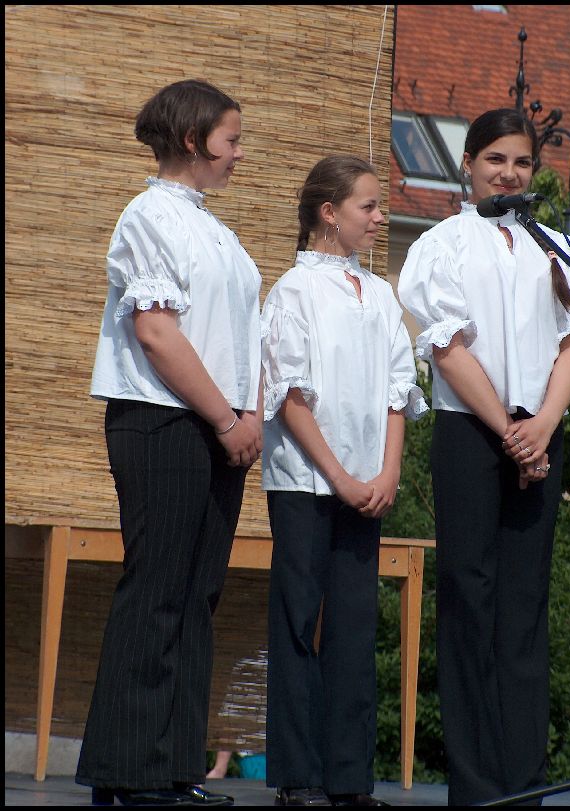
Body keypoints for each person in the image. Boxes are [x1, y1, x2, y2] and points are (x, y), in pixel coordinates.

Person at [397, 108, 570, 806]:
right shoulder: (443, 244)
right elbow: (448, 348)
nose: (509, 174)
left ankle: (524, 782)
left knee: (524, 605)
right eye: (495, 160)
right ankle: (476, 783)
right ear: (468, 163)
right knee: (468, 597)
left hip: (541, 432)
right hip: (471, 432)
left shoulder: (559, 246)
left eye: (521, 162)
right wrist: (508, 429)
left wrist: (541, 424)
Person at [75, 79, 263, 807]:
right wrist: (225, 418)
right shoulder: (149, 216)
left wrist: (246, 414)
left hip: (216, 425)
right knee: (156, 591)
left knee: (196, 595)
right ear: (192, 140)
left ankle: (173, 765)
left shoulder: (214, 229)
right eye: (231, 140)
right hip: (162, 420)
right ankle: (127, 772)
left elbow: (240, 333)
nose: (239, 154)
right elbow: (156, 332)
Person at [261, 155, 428, 807]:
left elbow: (397, 390)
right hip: (306, 482)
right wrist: (338, 475)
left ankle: (349, 780)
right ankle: (299, 778)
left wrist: (388, 471)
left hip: (367, 485)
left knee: (355, 630)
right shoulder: (294, 291)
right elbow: (289, 395)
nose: (381, 216)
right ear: (329, 213)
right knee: (298, 622)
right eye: (369, 205)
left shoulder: (380, 295)